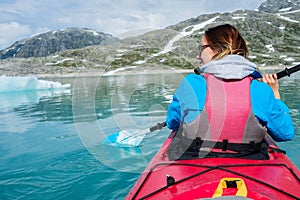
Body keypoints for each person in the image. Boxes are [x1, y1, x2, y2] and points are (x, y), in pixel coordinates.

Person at [166, 24, 294, 160]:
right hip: (249, 161)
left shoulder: (191, 83)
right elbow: (285, 134)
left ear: (216, 49)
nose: (198, 55)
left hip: (194, 160)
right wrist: (275, 95)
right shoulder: (260, 89)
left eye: (202, 48)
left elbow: (172, 123)